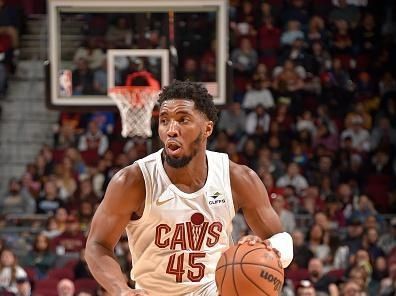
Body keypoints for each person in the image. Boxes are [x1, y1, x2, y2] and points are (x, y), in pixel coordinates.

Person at [86, 81, 293, 295]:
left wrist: (266, 250)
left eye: (183, 120)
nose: (171, 130)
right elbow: (97, 245)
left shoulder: (237, 178)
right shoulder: (133, 181)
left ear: (207, 128)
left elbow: (282, 239)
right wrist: (122, 290)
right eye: (164, 121)